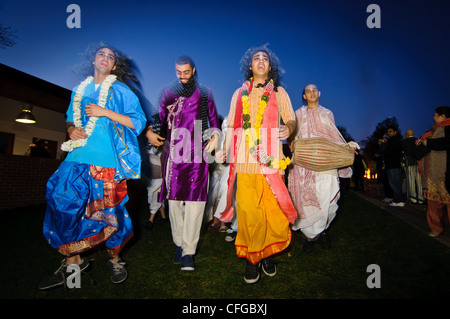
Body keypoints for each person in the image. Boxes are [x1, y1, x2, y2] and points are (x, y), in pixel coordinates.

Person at [38, 43, 147, 290]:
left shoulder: (121, 90)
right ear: (94, 60)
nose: (105, 58)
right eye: (101, 54)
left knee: (110, 213)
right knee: (61, 202)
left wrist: (105, 112)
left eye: (111, 56)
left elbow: (137, 122)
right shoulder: (79, 89)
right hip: (76, 158)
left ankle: (114, 259)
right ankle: (74, 259)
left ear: (114, 66)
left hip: (107, 161)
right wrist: (70, 129)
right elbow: (69, 117)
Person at [220, 45, 297, 284]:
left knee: (269, 210)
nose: (261, 61)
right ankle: (253, 258)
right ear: (250, 67)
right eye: (256, 58)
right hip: (244, 159)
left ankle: (268, 253)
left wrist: (289, 128)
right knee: (248, 210)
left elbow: (291, 118)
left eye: (265, 58)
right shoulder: (239, 93)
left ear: (270, 67)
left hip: (272, 158)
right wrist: (224, 147)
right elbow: (231, 123)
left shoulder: (279, 92)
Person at [146, 55, 220, 271]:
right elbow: (158, 119)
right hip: (173, 152)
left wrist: (215, 136)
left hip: (197, 151)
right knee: (174, 202)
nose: (182, 76)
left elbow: (214, 122)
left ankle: (189, 251)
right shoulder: (167, 92)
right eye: (178, 72)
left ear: (194, 70)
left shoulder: (205, 93)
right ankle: (179, 243)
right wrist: (151, 130)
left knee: (196, 203)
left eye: (186, 72)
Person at [288, 84, 354, 253]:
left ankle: (321, 230)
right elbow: (293, 135)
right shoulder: (298, 114)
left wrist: (346, 147)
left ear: (319, 93)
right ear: (304, 96)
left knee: (328, 198)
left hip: (326, 161)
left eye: (314, 90)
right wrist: (292, 143)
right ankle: (311, 237)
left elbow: (334, 135)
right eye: (308, 91)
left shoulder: (327, 113)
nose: (311, 93)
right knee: (305, 200)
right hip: (304, 162)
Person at [417, 106, 450, 237]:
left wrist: (428, 143)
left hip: (444, 172)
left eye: (435, 115)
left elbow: (446, 142)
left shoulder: (448, 128)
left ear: (443, 116)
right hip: (431, 173)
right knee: (433, 202)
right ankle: (436, 227)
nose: (433, 117)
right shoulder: (432, 131)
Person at [143, 143, 167, 230]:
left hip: (160, 175)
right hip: (150, 176)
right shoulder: (146, 142)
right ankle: (164, 217)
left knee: (156, 196)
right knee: (153, 195)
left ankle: (150, 220)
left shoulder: (162, 143)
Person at [383, 126, 406, 207]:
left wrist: (385, 145)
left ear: (395, 132)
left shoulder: (395, 141)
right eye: (388, 131)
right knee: (393, 183)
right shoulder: (392, 141)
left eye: (390, 131)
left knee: (395, 183)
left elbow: (387, 151)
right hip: (391, 165)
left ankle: (400, 200)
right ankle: (397, 200)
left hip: (394, 165)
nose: (389, 133)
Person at [401, 129, 424, 204]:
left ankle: (413, 198)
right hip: (418, 162)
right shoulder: (417, 140)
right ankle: (420, 198)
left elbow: (402, 153)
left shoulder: (404, 142)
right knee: (419, 181)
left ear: (407, 134)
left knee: (411, 181)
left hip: (409, 163)